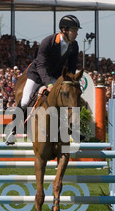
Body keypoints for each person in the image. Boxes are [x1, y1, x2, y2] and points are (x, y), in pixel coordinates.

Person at [6, 15, 81, 145]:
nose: (76, 33)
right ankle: (11, 131)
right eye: (73, 30)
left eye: (76, 31)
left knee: (67, 98)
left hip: (55, 74)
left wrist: (71, 82)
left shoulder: (74, 45)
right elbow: (41, 66)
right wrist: (49, 84)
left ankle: (72, 129)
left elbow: (72, 67)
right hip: (37, 74)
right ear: (64, 30)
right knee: (24, 101)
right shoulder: (48, 42)